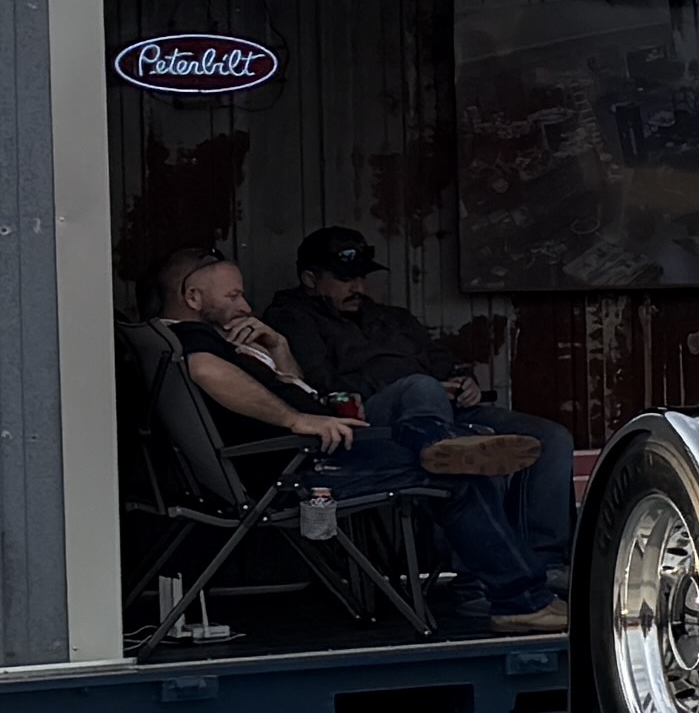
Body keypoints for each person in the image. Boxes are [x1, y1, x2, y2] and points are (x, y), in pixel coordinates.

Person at [160, 253, 564, 632]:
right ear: (193, 297)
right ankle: (521, 602)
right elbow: (207, 372)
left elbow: (296, 387)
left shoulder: (191, 340)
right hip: (302, 467)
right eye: (233, 295)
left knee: (453, 434)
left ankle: (444, 445)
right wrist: (295, 418)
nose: (246, 305)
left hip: (314, 451)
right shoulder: (194, 342)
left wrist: (278, 349)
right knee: (458, 475)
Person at [267, 228, 579, 577]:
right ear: (310, 278)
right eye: (344, 279)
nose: (358, 287)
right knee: (421, 389)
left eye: (361, 278)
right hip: (371, 421)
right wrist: (418, 386)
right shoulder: (292, 318)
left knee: (551, 437)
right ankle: (448, 452)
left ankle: (546, 563)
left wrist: (463, 381)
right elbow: (319, 385)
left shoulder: (391, 316)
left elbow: (440, 359)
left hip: (446, 409)